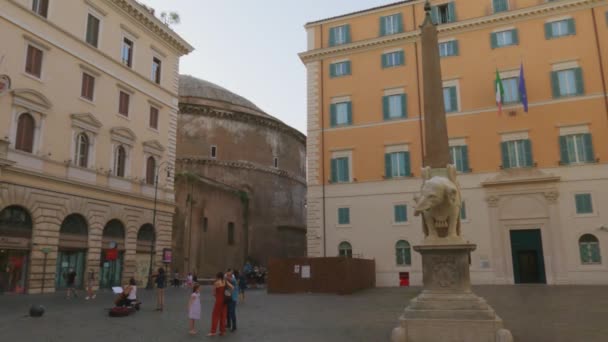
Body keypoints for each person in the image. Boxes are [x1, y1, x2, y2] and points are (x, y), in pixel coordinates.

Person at [208, 272, 233, 337]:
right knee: (223, 316)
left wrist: (217, 295)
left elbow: (213, 293)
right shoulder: (225, 281)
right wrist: (228, 293)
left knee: (215, 315)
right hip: (225, 300)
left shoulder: (216, 283)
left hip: (219, 300)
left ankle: (213, 331)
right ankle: (222, 331)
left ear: (217, 276)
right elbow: (232, 287)